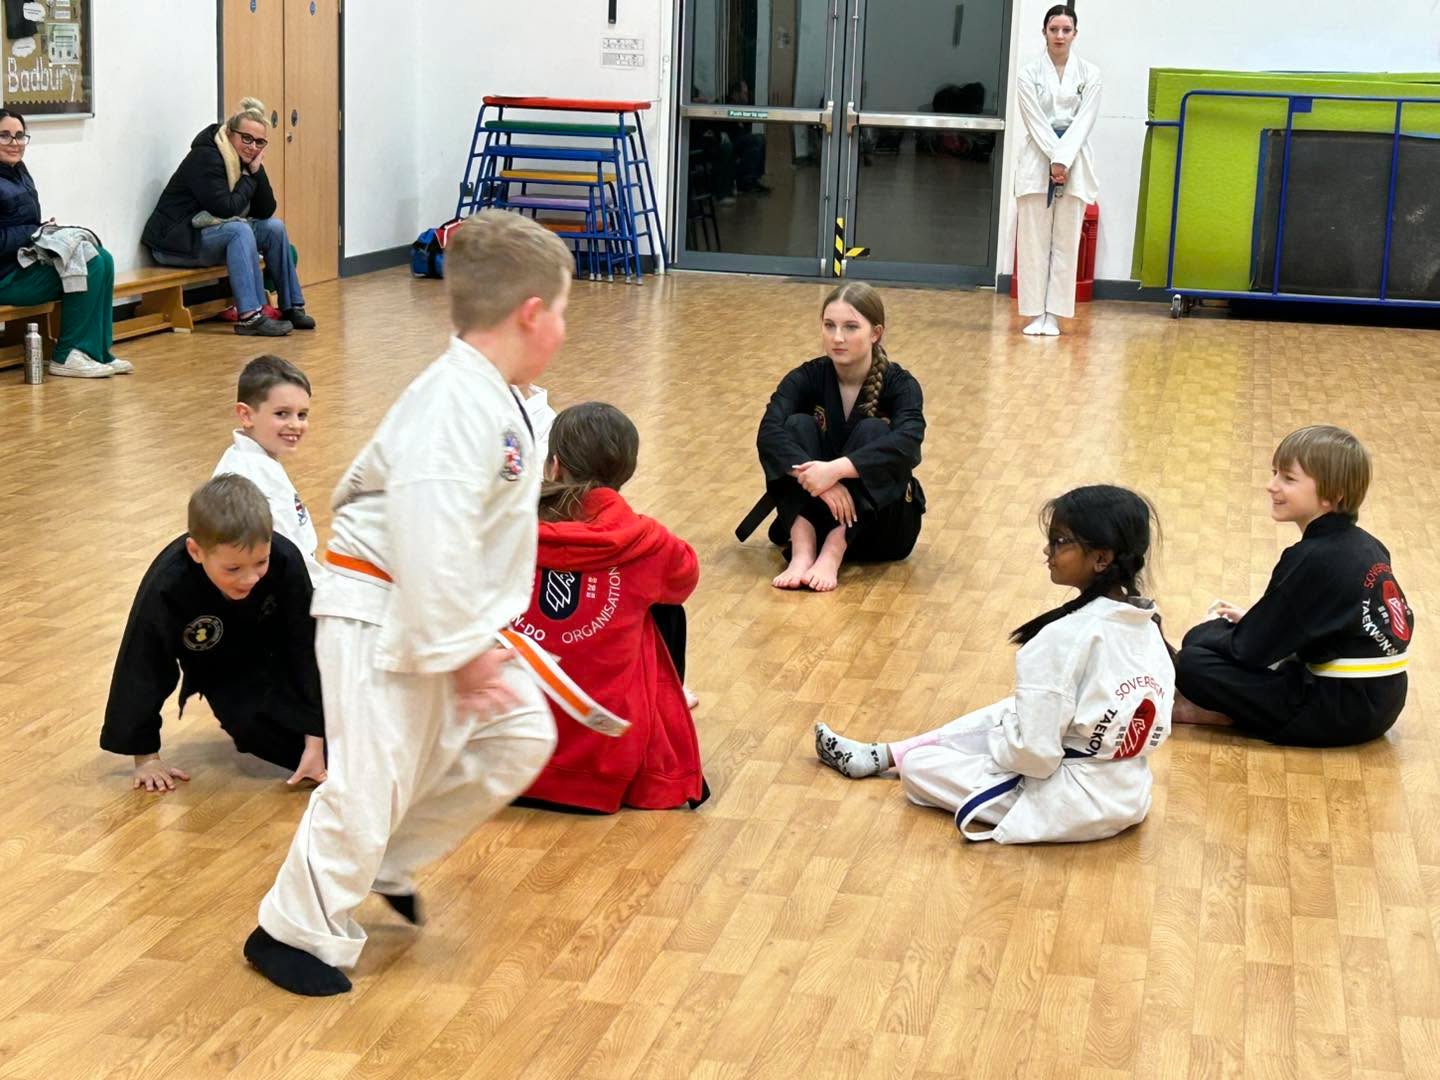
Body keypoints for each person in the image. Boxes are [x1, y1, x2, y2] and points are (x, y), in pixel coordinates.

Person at [244, 210, 571, 997]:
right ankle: (287, 931)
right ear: (532, 314)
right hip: (379, 609)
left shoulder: (502, 394)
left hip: (436, 609)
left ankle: (389, 856)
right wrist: (463, 649)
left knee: (518, 733)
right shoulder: (455, 401)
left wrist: (472, 636)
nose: (565, 327)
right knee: (368, 784)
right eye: (563, 310)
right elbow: (432, 531)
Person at [815, 486, 1172, 844]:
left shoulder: (1063, 637)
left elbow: (1036, 757)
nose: (1047, 551)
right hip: (1129, 793)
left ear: (1101, 558)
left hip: (1071, 803)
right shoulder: (1147, 624)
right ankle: (881, 755)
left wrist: (1000, 738)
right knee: (1010, 712)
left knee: (920, 767)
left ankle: (897, 758)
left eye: (1060, 542)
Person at [511, 401, 707, 814]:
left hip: (498, 763)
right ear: (626, 471)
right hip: (600, 767)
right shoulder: (647, 541)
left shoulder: (505, 527)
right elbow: (685, 577)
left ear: (554, 465)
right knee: (664, 608)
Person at [1174, 426, 1412, 746]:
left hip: (1338, 711)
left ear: (1334, 493)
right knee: (1220, 640)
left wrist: (1206, 633)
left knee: (1193, 659)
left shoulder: (1312, 558)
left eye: (1288, 478)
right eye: (1274, 473)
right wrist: (1253, 624)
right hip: (1383, 700)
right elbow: (1328, 622)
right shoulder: (1369, 546)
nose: (1271, 486)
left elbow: (1250, 651)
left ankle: (1227, 713)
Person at [100, 474, 326, 792]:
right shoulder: (169, 584)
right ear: (196, 551)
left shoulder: (286, 560)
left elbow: (306, 647)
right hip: (223, 667)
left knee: (341, 725)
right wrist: (146, 756)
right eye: (233, 569)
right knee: (256, 729)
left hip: (280, 653)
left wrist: (316, 738)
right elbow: (143, 664)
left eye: (261, 562)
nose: (250, 578)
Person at [743, 282, 925, 592]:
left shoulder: (901, 385)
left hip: (881, 529)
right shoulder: (807, 376)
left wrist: (835, 470)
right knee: (795, 426)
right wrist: (821, 481)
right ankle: (802, 550)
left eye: (850, 327)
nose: (837, 337)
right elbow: (769, 433)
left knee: (874, 431)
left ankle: (834, 549)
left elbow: (908, 443)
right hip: (815, 513)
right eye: (829, 325)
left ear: (876, 333)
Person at [143, 98, 311, 337]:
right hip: (176, 241)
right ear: (231, 134)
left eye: (260, 142)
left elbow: (265, 210)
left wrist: (257, 172)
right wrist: (250, 178)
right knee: (239, 231)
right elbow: (225, 208)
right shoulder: (206, 157)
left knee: (274, 228)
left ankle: (292, 307)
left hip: (206, 234)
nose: (252, 146)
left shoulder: (245, 162)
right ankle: (250, 318)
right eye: (246, 138)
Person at [0, 107, 131, 378]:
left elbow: (22, 225)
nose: (14, 143)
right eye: (4, 136)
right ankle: (68, 354)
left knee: (102, 257)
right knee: (88, 264)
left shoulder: (19, 171)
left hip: (23, 261)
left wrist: (43, 231)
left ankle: (98, 351)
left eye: (20, 136)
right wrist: (34, 232)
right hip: (6, 276)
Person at [1013, 5, 1101, 337]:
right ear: (1044, 32)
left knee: (1066, 242)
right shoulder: (1028, 73)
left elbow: (1085, 120)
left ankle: (1055, 314)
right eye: (1054, 29)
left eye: (1066, 30)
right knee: (1033, 242)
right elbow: (1034, 119)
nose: (1060, 36)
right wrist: (1054, 158)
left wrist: (1063, 159)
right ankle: (1035, 313)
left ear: (1075, 34)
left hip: (1075, 159)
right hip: (1037, 158)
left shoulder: (1090, 74)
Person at [213, 356, 320, 581]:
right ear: (246, 415)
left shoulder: (242, 458)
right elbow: (291, 557)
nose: (295, 424)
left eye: (302, 415)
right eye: (282, 413)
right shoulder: (257, 479)